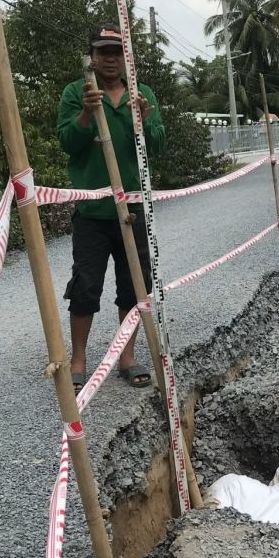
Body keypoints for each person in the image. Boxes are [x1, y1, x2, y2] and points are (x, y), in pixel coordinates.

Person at [56, 24, 166, 392]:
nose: (110, 58)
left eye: (117, 52)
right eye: (103, 51)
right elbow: (68, 143)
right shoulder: (78, 92)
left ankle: (127, 357)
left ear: (126, 58)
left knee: (134, 285)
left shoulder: (141, 93)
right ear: (92, 55)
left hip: (132, 211)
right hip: (93, 214)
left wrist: (145, 119)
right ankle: (78, 360)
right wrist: (87, 115)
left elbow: (158, 144)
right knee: (86, 285)